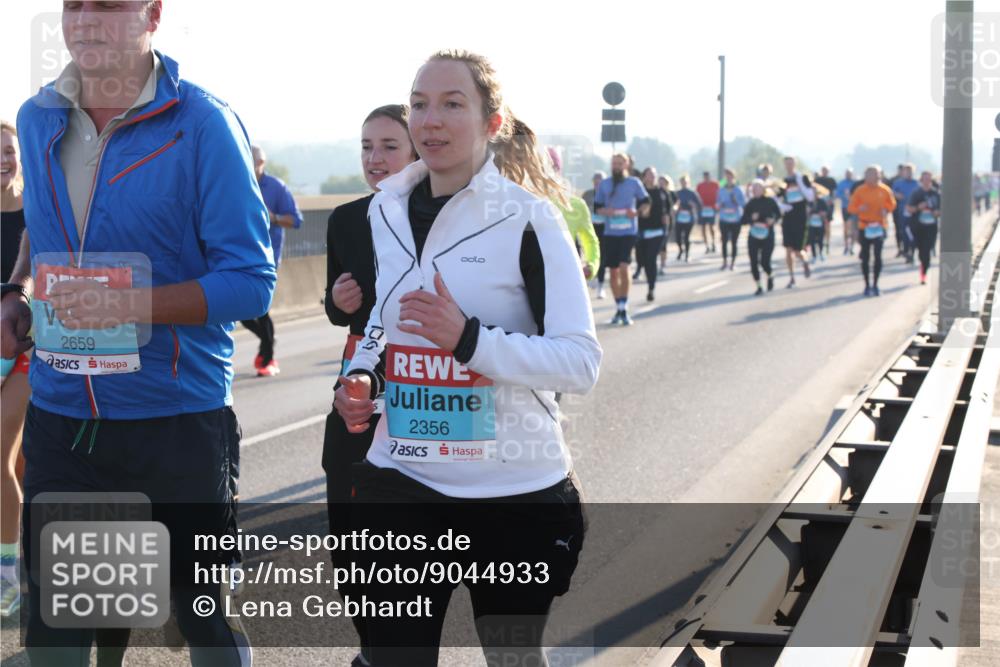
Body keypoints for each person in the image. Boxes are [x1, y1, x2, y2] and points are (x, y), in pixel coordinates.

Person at [3, 2, 274, 664]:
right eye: (74, 4)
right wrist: (18, 291)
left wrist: (126, 305)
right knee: (60, 636)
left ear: (152, 13)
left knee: (201, 621)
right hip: (64, 418)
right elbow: (44, 228)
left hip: (174, 420)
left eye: (109, 4)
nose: (86, 19)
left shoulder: (203, 123)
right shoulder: (37, 116)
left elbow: (250, 281)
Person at [333, 49, 601, 667]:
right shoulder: (385, 208)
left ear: (492, 122)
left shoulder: (531, 220)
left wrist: (469, 340)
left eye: (453, 104)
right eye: (420, 104)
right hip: (402, 481)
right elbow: (384, 322)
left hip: (513, 489)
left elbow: (579, 362)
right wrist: (362, 377)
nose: (431, 120)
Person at [323, 104, 417, 667]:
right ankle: (372, 647)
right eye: (366, 147)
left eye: (388, 146)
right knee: (348, 525)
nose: (374, 158)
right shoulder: (345, 219)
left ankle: (393, 649)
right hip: (357, 380)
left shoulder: (442, 216)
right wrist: (336, 302)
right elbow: (339, 309)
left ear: (416, 151)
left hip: (422, 380)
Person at [240, 146, 302, 377]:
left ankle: (267, 358)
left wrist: (273, 217)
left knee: (261, 308)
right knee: (242, 311)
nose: (250, 164)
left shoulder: (276, 187)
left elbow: (296, 220)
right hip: (240, 257)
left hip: (266, 259)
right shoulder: (238, 182)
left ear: (262, 163)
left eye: (254, 160)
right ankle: (268, 341)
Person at [0, 120, 29, 620]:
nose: (3, 159)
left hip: (26, 346)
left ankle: (7, 576)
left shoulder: (35, 211)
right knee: (20, 465)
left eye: (7, 150)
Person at [595, 153, 650, 325]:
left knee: (624, 266)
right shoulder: (605, 184)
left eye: (619, 163)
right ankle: (618, 306)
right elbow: (597, 207)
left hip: (628, 231)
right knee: (613, 271)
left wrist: (637, 212)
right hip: (611, 233)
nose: (616, 166)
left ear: (626, 165)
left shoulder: (634, 183)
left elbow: (646, 202)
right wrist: (607, 211)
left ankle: (624, 307)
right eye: (614, 163)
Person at [547, 148, 600, 280]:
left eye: (552, 167)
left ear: (558, 170)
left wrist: (591, 265)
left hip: (566, 276)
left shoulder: (576, 204)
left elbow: (590, 240)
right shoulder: (523, 202)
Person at [848, 165, 897, 296]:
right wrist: (860, 209)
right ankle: (867, 285)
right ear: (866, 176)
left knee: (878, 255)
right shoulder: (860, 190)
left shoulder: (885, 190)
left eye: (876, 174)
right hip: (865, 227)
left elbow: (892, 204)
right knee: (865, 257)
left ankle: (875, 285)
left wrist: (886, 209)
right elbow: (851, 208)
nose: (874, 177)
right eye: (870, 174)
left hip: (880, 226)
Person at [777, 156, 813, 287]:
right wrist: (783, 207)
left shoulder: (803, 178)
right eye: (787, 164)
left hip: (800, 217)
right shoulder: (783, 181)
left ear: (795, 164)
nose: (789, 166)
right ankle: (792, 277)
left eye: (791, 163)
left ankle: (805, 261)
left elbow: (810, 196)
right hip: (788, 217)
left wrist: (800, 183)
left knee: (798, 250)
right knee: (788, 249)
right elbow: (777, 198)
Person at [741, 179, 781, 295]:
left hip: (768, 235)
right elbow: (743, 220)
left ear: (763, 189)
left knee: (764, 262)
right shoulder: (750, 203)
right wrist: (751, 218)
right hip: (754, 235)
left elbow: (778, 215)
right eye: (754, 188)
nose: (755, 190)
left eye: (758, 188)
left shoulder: (770, 201)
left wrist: (773, 220)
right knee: (753, 262)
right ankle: (759, 286)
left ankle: (770, 275)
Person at [636, 167, 669, 301]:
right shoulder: (639, 192)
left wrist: (666, 224)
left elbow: (668, 210)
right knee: (643, 260)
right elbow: (634, 209)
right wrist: (641, 211)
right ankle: (648, 276)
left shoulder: (662, 192)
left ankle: (651, 288)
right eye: (649, 175)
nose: (652, 177)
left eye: (654, 174)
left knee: (651, 259)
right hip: (641, 232)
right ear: (644, 177)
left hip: (658, 231)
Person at [906, 170, 941, 285]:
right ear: (921, 180)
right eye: (924, 179)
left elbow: (941, 210)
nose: (926, 181)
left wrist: (937, 213)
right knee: (921, 251)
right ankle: (923, 271)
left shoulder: (936, 194)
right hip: (918, 226)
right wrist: (918, 207)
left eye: (929, 179)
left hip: (931, 226)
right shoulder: (916, 193)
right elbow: (908, 208)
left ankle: (924, 273)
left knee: (927, 249)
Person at [584, 171, 609, 298]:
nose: (597, 183)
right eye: (595, 180)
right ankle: (592, 276)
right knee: (590, 254)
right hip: (590, 228)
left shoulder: (609, 195)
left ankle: (600, 285)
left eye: (600, 181)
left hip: (604, 228)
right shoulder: (587, 194)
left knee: (602, 256)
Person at [716, 168, 746, 271]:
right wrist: (720, 205)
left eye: (730, 175)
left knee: (734, 242)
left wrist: (735, 200)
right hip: (724, 218)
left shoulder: (738, 190)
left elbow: (743, 204)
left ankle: (733, 263)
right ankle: (724, 262)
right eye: (727, 175)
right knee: (724, 241)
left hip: (736, 219)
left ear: (734, 177)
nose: (728, 177)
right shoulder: (721, 190)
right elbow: (717, 204)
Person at [891, 163, 919, 264]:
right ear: (903, 172)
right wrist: (896, 195)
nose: (908, 173)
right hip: (902, 211)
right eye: (906, 171)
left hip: (915, 212)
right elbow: (891, 194)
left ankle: (912, 252)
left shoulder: (917, 183)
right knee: (904, 232)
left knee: (913, 232)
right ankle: (905, 250)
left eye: (910, 171)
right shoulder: (897, 183)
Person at [674, 174, 702, 262]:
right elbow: (673, 204)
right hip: (679, 217)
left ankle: (687, 254)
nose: (684, 183)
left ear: (688, 182)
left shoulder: (692, 193)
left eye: (685, 182)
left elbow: (700, 205)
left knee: (686, 237)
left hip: (689, 218)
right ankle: (680, 250)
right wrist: (676, 207)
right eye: (682, 182)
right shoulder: (677, 193)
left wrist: (693, 205)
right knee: (678, 237)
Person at [814, 166, 838, 254]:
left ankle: (827, 243)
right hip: (819, 205)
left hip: (828, 205)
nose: (825, 172)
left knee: (827, 224)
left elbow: (834, 192)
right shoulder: (817, 180)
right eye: (823, 170)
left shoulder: (832, 180)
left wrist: (831, 200)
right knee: (817, 224)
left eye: (826, 170)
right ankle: (819, 243)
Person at [807, 186, 832, 262]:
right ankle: (814, 255)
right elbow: (805, 213)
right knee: (812, 240)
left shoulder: (822, 202)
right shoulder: (808, 202)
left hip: (820, 223)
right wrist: (808, 212)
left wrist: (822, 214)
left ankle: (821, 253)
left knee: (820, 239)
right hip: (811, 224)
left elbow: (826, 212)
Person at [657, 174, 677, 274]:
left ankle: (662, 264)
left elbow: (675, 205)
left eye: (663, 182)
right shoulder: (656, 192)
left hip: (667, 221)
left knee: (663, 243)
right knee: (656, 244)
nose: (661, 183)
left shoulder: (671, 194)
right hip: (656, 222)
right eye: (660, 181)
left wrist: (674, 209)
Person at [696, 171, 719, 253]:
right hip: (702, 209)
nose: (706, 178)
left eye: (707, 177)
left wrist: (717, 206)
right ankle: (707, 246)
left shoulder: (715, 184)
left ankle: (713, 243)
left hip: (712, 209)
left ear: (710, 177)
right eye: (705, 177)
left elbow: (719, 195)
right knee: (703, 228)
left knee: (711, 227)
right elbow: (697, 196)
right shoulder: (700, 185)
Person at [836, 168, 857, 255]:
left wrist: (852, 197)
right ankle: (846, 246)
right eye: (847, 173)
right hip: (845, 207)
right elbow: (837, 194)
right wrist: (844, 196)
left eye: (850, 173)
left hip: (854, 208)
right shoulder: (841, 183)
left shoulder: (855, 183)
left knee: (853, 228)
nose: (848, 175)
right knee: (845, 227)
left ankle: (852, 247)